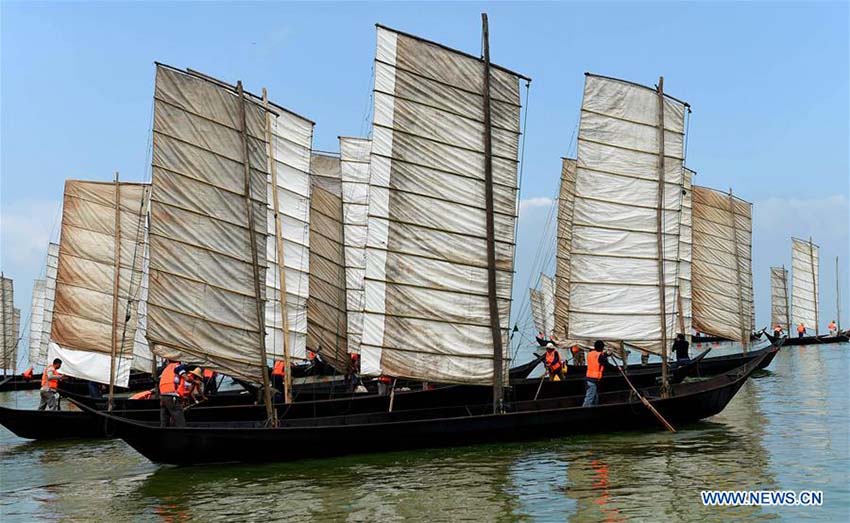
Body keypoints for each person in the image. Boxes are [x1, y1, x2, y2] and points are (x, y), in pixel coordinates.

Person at [582, 341, 615, 407]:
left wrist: (606, 354)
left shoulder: (590, 353)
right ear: (602, 348)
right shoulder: (600, 356)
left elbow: (599, 356)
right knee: (589, 398)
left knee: (595, 399)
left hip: (589, 378)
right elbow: (607, 365)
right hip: (592, 381)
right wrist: (617, 369)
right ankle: (583, 411)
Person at [159, 359, 186, 427]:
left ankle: (163, 431)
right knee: (179, 418)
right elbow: (186, 378)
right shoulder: (178, 366)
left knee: (164, 419)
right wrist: (194, 381)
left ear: (168, 361)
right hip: (172, 396)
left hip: (163, 396)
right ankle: (182, 432)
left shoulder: (165, 369)